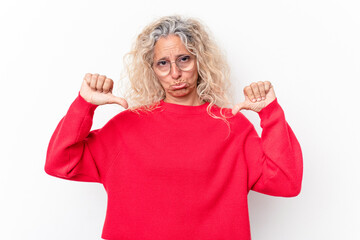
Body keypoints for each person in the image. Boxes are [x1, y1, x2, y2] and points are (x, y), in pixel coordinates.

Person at [45, 15, 303, 240]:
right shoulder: (126, 126)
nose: (175, 73)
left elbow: (286, 182)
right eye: (163, 63)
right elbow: (60, 162)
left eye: (184, 59)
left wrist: (270, 113)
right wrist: (84, 105)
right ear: (153, 69)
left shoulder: (231, 126)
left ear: (200, 61)